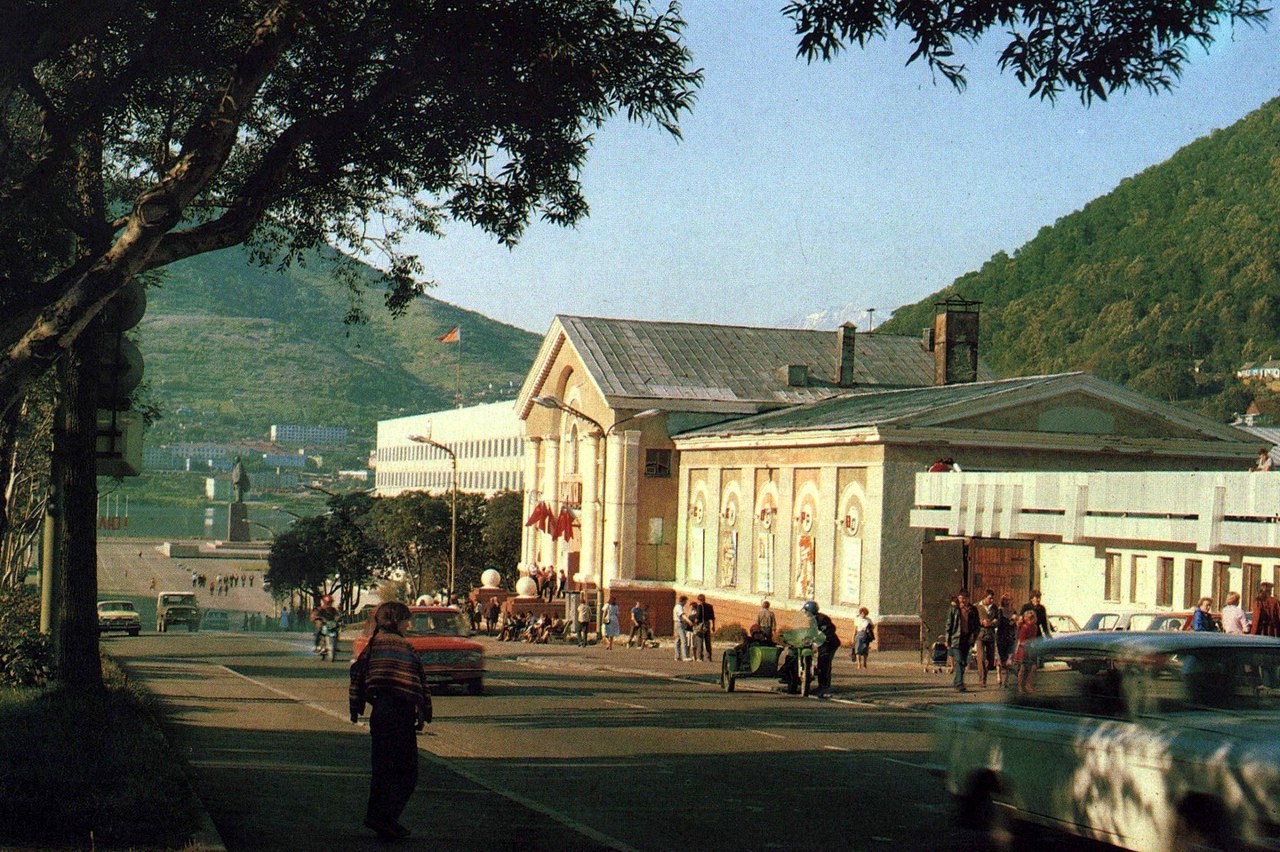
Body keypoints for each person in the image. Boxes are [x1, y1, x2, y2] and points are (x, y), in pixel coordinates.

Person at [349, 601, 432, 839]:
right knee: (407, 772)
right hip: (400, 715)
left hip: (380, 714)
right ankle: (386, 818)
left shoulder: (373, 645)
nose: (409, 624)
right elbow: (418, 681)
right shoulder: (404, 647)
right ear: (396, 621)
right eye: (406, 619)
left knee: (383, 770)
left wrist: (357, 705)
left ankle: (380, 818)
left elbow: (357, 674)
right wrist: (423, 711)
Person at [945, 590, 980, 692]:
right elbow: (949, 624)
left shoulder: (973, 610)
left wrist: (973, 636)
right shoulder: (954, 609)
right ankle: (959, 683)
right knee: (959, 660)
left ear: (968, 599)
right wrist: (947, 639)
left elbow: (977, 626)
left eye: (964, 598)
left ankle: (957, 681)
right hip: (956, 638)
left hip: (967, 638)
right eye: (960, 598)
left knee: (964, 662)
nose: (962, 600)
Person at [1014, 609, 1039, 694]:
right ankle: (1020, 686)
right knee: (1023, 668)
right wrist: (1030, 643)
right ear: (1026, 619)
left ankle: (1029, 685)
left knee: (1034, 667)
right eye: (1029, 619)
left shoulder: (1035, 627)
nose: (1031, 620)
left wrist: (1035, 643)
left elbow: (1034, 637)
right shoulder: (1024, 627)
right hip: (1023, 650)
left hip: (1031, 649)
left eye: (1032, 618)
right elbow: (1022, 640)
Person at [976, 590, 999, 687]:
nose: (992, 600)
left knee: (990, 659)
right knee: (981, 658)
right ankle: (982, 680)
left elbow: (998, 620)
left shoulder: (994, 608)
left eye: (992, 598)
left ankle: (984, 674)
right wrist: (981, 622)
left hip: (990, 635)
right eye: (990, 598)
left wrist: (992, 623)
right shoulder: (977, 607)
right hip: (980, 635)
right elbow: (973, 620)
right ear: (985, 597)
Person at [995, 594, 1017, 687]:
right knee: (1000, 657)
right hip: (1001, 636)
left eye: (1009, 600)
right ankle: (999, 675)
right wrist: (1010, 620)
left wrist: (1015, 621)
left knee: (1009, 659)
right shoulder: (999, 610)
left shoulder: (1013, 611)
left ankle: (1007, 679)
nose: (1008, 602)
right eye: (1006, 600)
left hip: (1010, 636)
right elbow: (1000, 622)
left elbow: (1016, 624)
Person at [696, 594, 716, 661]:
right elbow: (712, 617)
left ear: (699, 600)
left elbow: (698, 616)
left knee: (700, 640)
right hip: (707, 624)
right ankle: (709, 657)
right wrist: (713, 626)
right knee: (707, 641)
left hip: (701, 624)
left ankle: (700, 657)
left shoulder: (699, 607)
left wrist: (695, 622)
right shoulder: (709, 606)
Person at [673, 595, 690, 661]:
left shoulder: (677, 607)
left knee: (678, 640)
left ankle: (677, 656)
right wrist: (688, 621)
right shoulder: (679, 607)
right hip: (679, 623)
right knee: (684, 640)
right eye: (685, 601)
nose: (686, 603)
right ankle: (685, 656)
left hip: (677, 623)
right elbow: (682, 615)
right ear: (683, 601)